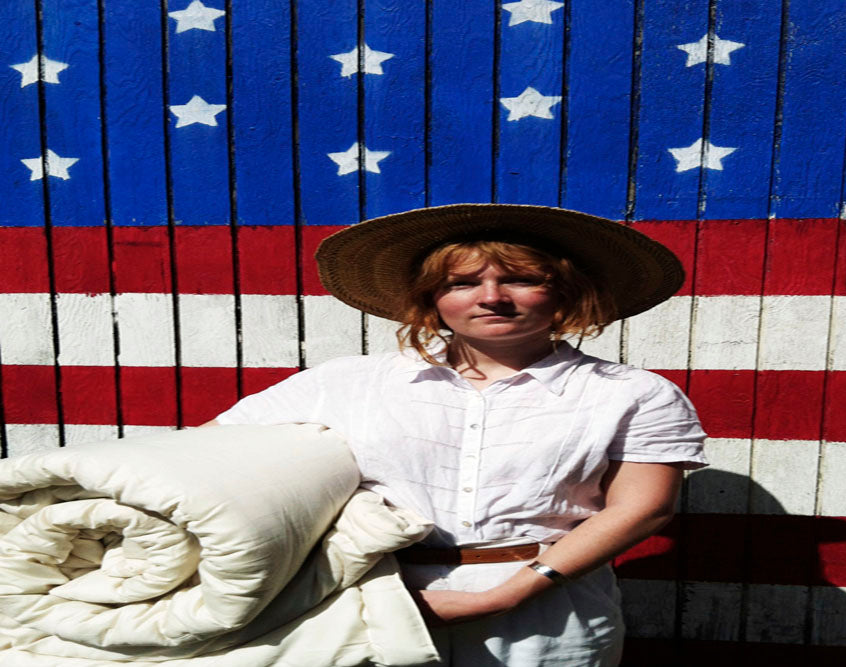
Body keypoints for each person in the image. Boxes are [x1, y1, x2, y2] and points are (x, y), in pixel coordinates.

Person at [206, 204, 708, 666]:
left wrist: (506, 595)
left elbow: (642, 508)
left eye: (521, 278)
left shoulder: (632, 393)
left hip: (547, 620)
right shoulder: (345, 381)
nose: (491, 297)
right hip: (369, 606)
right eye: (463, 282)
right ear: (432, 297)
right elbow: (210, 453)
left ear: (565, 289)